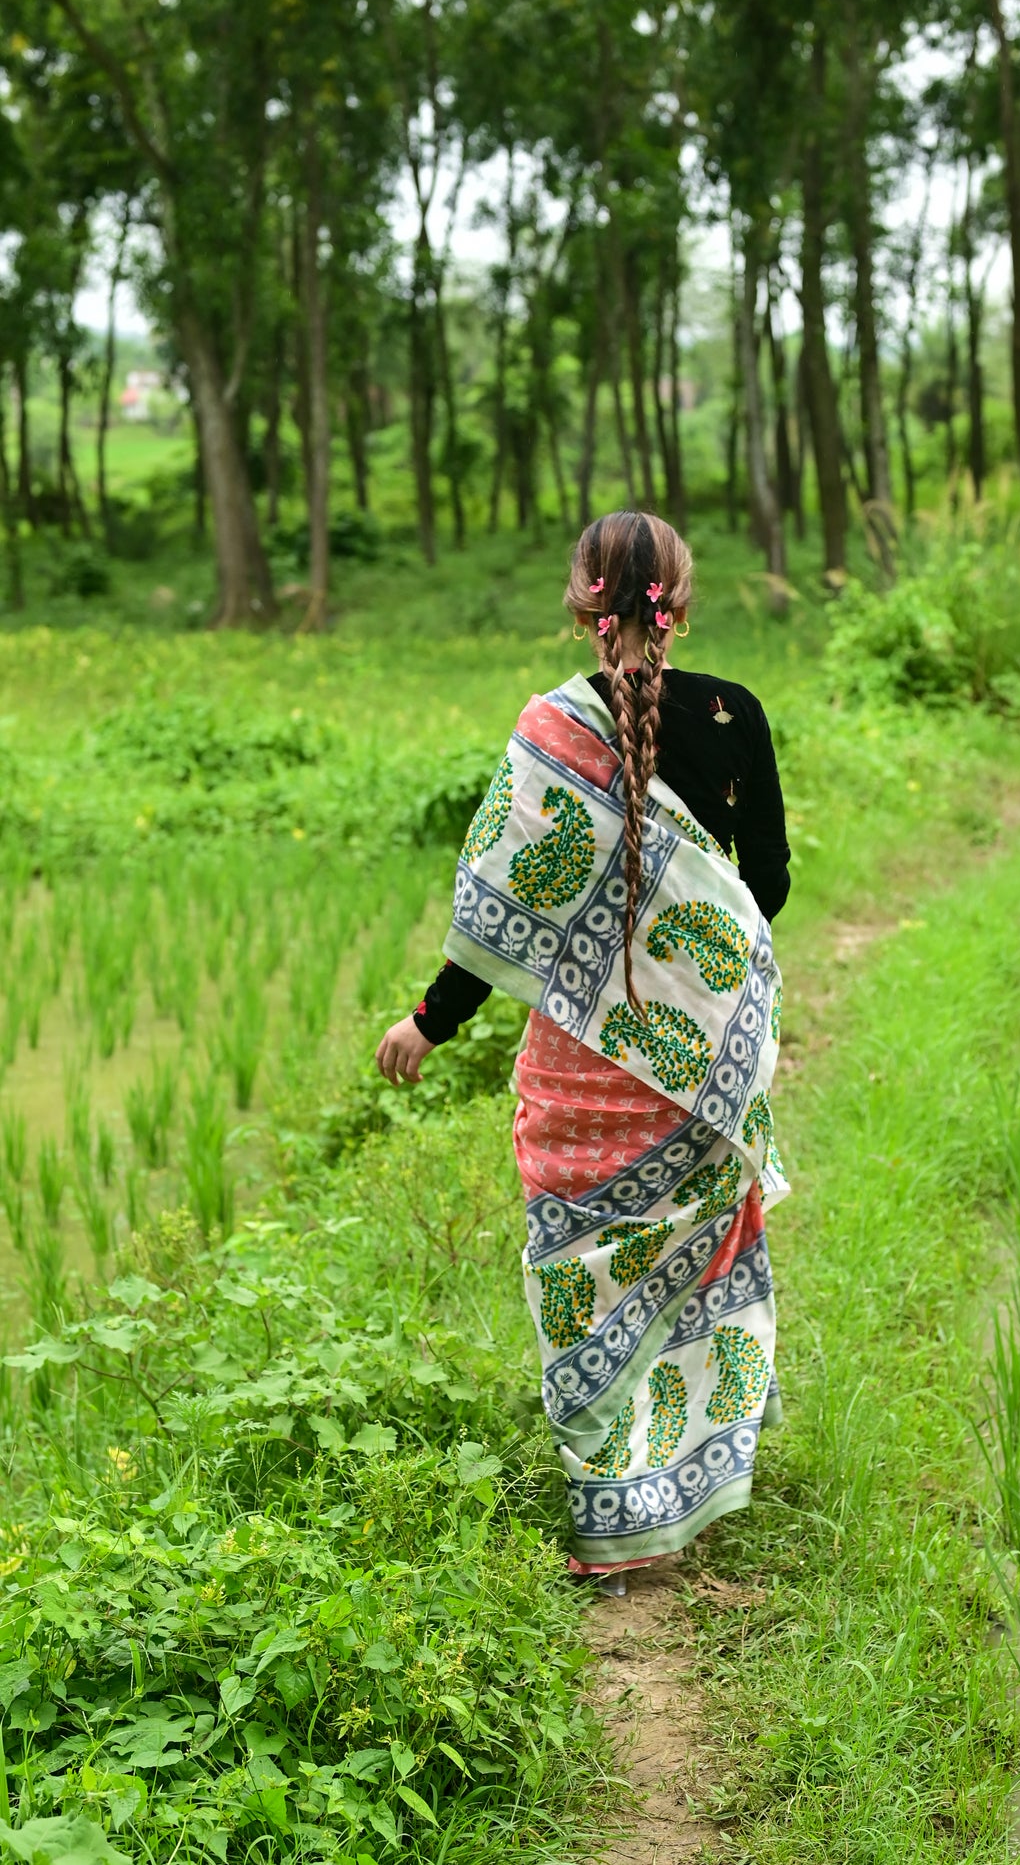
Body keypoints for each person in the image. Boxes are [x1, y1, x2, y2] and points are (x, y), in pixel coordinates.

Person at [376, 511, 791, 1593]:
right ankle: (689, 1478)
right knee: (694, 1259)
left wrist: (426, 1019)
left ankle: (610, 1505)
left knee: (584, 1281)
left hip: (578, 1068)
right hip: (704, 1055)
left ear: (580, 605)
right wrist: (687, 913)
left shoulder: (547, 734)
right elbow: (771, 889)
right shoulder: (734, 712)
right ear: (681, 605)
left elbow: (502, 911)